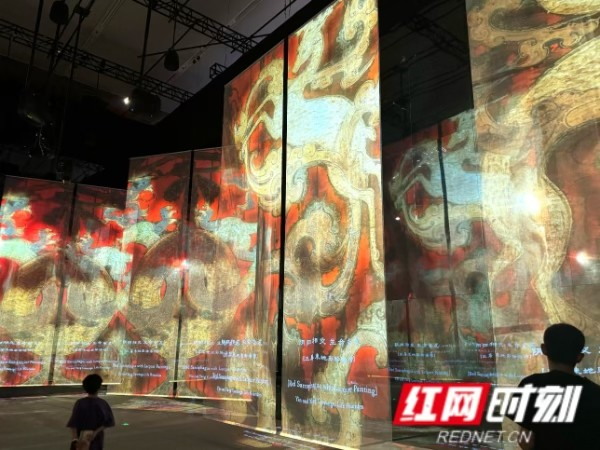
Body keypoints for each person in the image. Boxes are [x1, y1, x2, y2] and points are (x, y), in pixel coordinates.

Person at [512, 323, 600, 450]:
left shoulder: (530, 385)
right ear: (579, 357)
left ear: (544, 349)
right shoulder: (595, 392)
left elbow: (526, 441)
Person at [67, 374, 115, 450]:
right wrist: (95, 432)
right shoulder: (102, 404)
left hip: (81, 439)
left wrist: (75, 439)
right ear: (99, 387)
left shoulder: (80, 403)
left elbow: (74, 423)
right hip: (96, 439)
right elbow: (108, 422)